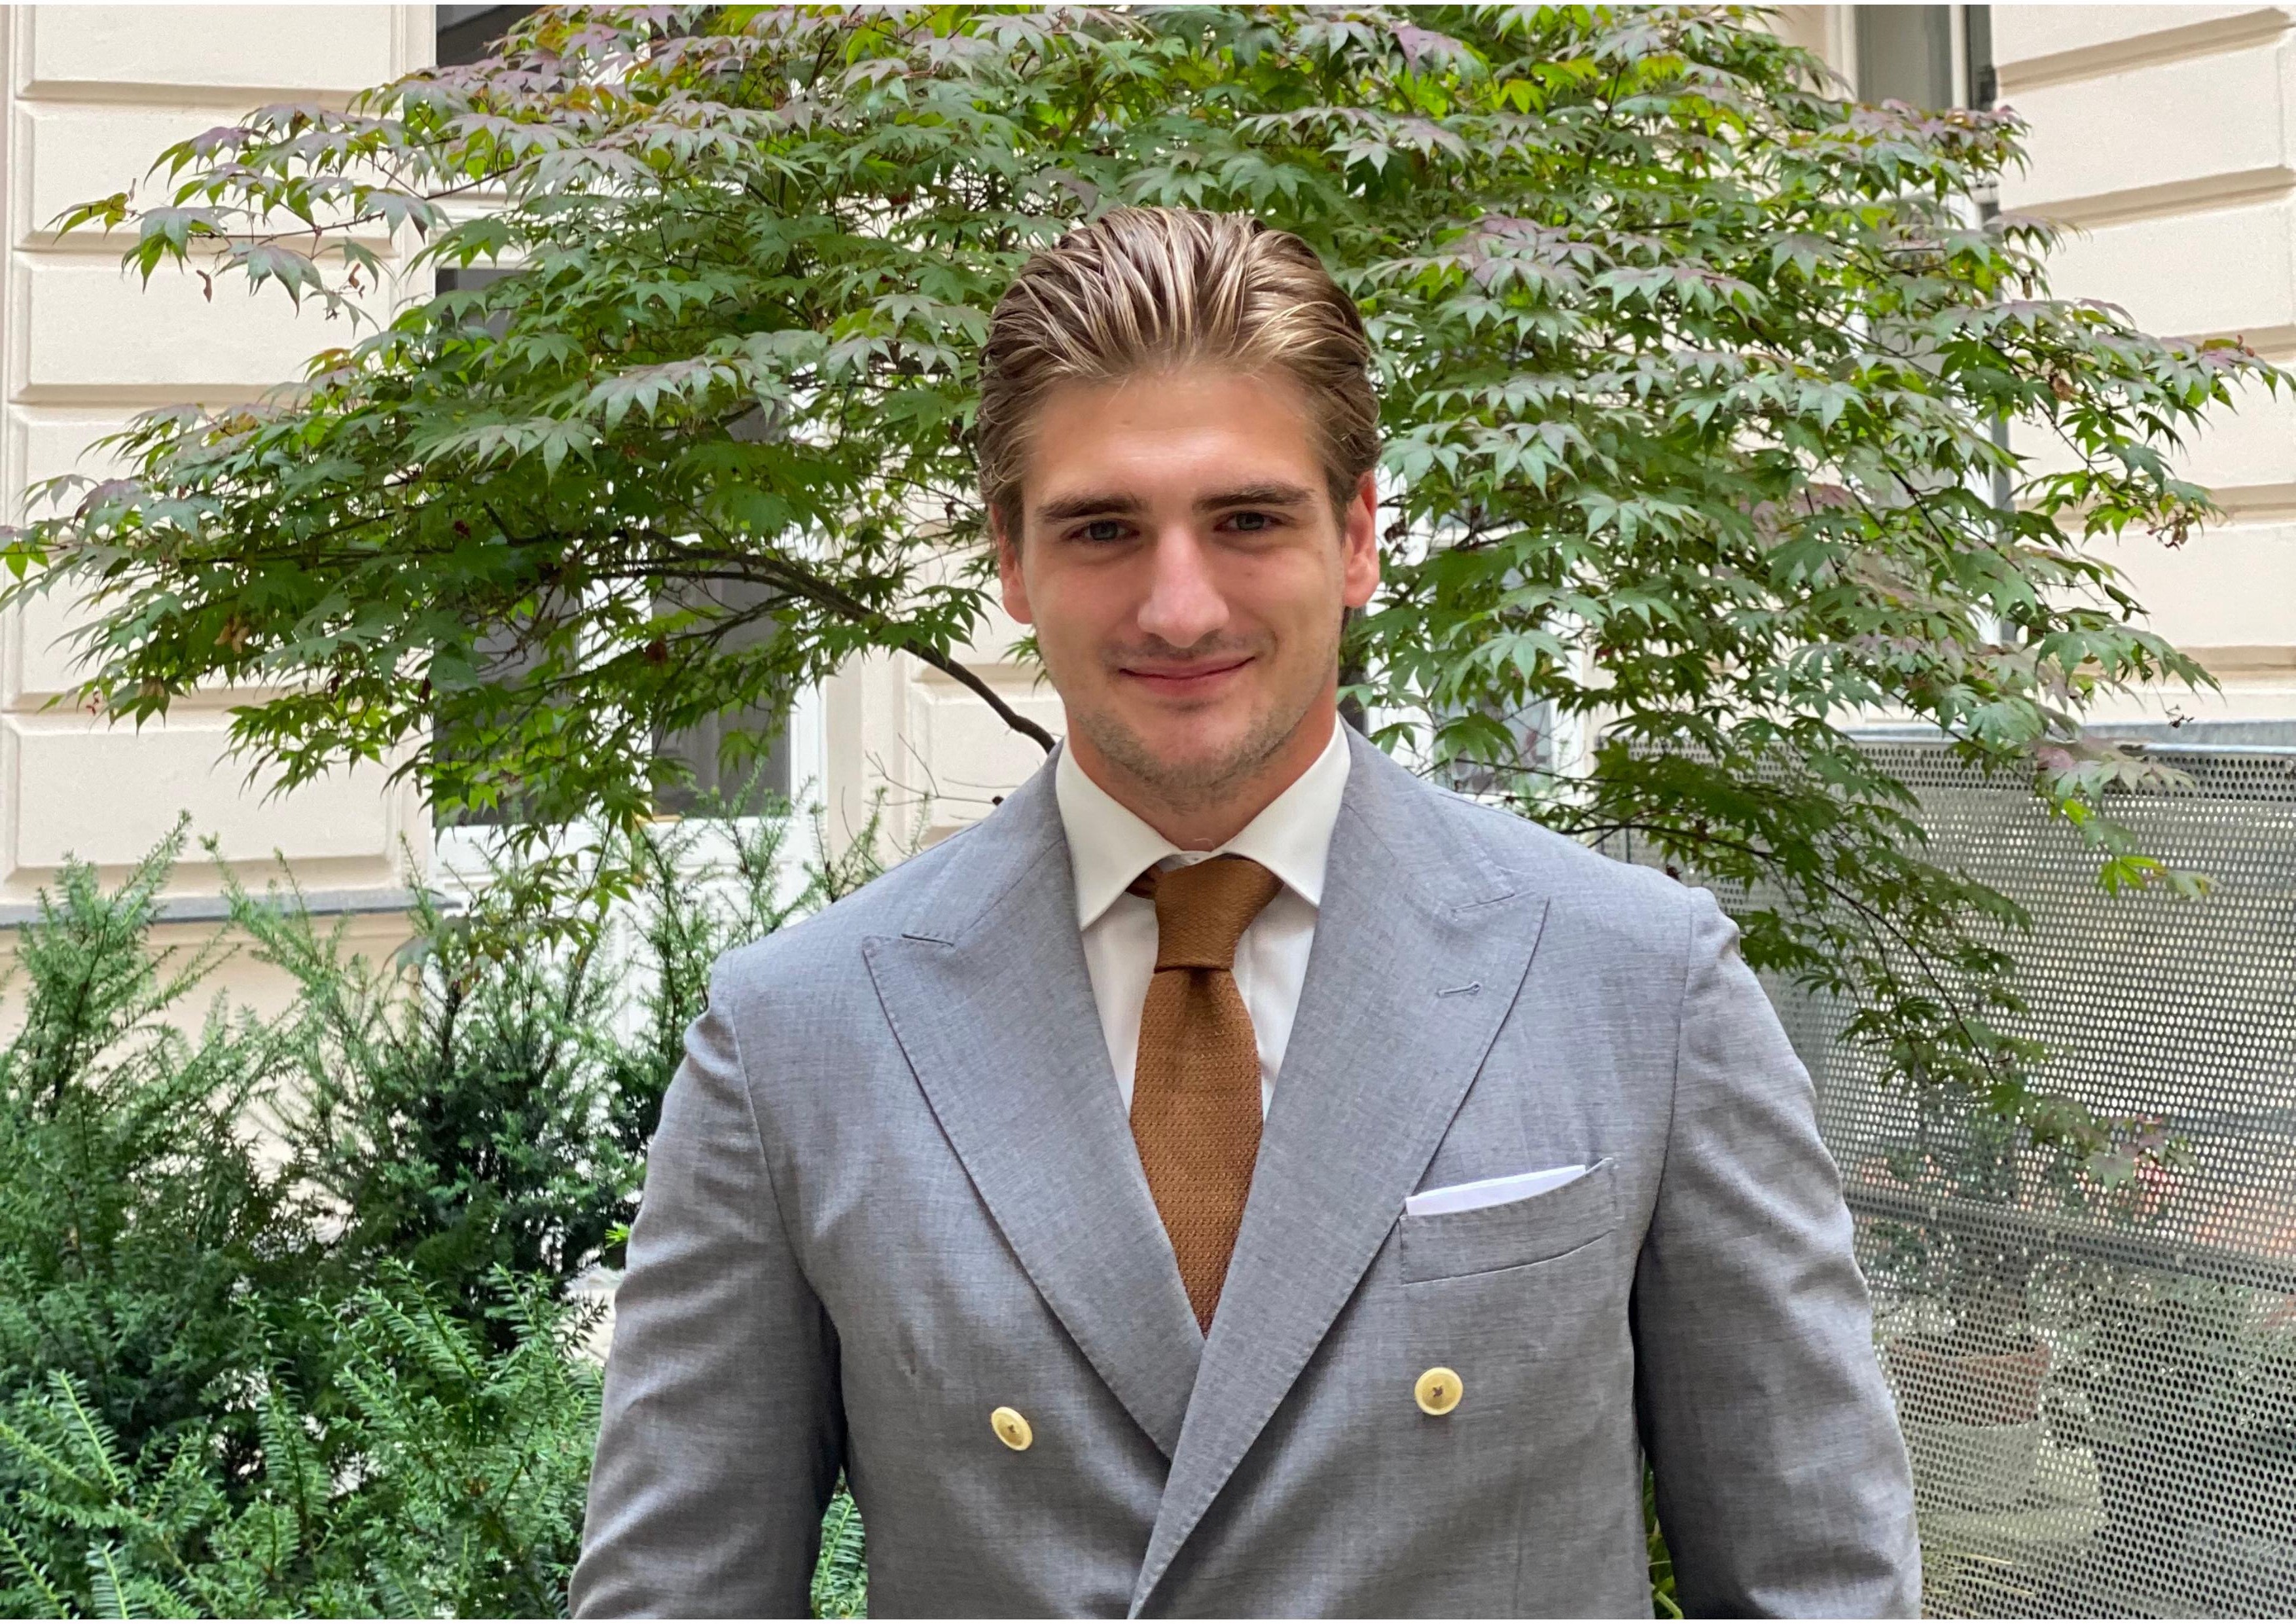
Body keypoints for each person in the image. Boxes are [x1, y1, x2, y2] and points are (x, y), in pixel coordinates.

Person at [569, 205, 1921, 1618]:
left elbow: (1817, 1585)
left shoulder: (1639, 987)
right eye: (1103, 528)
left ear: (1357, 536)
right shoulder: (797, 1039)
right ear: (1012, 560)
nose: (1179, 606)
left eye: (1246, 520)